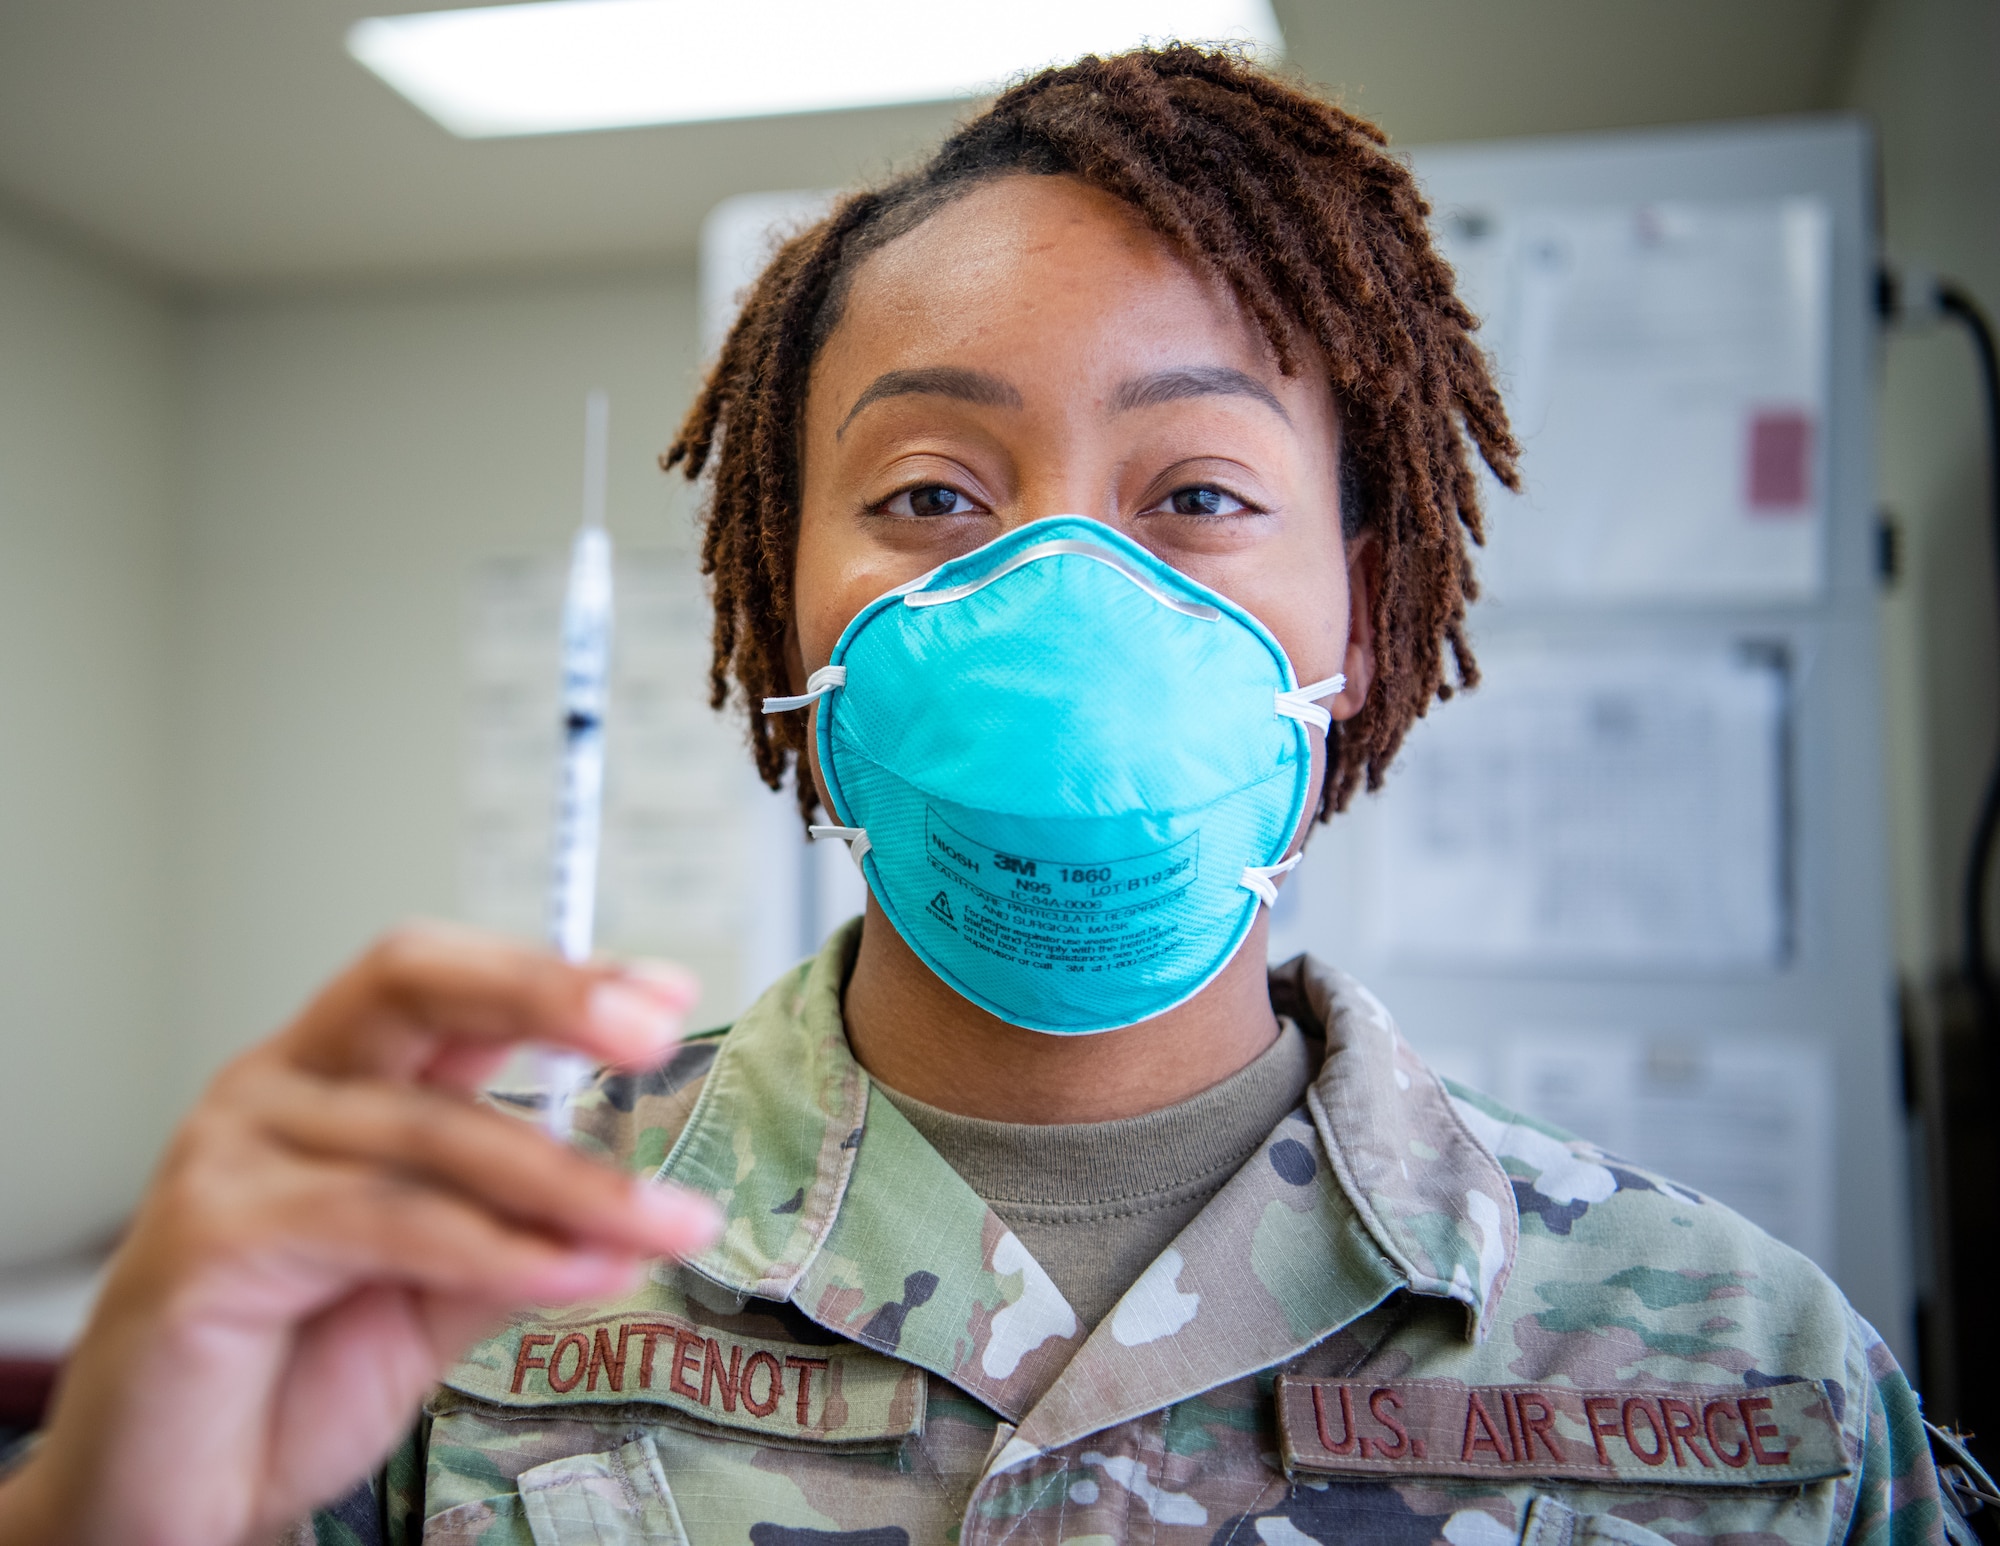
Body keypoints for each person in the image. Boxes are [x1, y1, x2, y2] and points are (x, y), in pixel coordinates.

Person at [0, 46, 1967, 1546]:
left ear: (1354, 623)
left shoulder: (1738, 1369)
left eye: (1196, 493)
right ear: (788, 600)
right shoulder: (454, 1290)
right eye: (933, 494)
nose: (1058, 598)